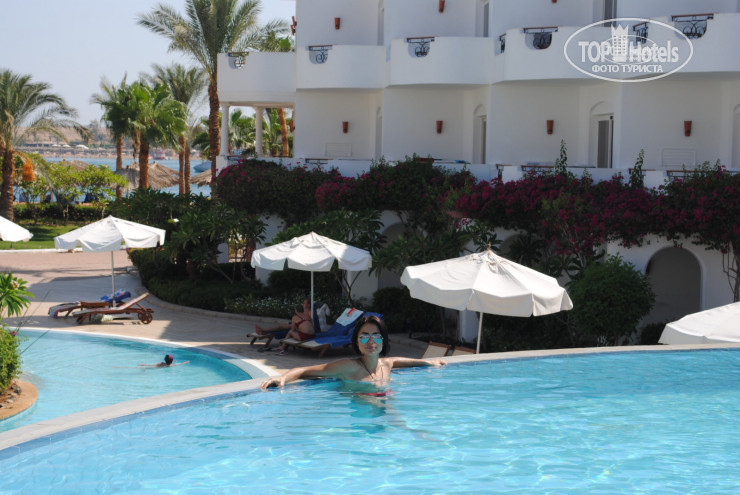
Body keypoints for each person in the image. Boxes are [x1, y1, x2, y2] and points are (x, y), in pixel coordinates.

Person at [260, 314, 446, 389]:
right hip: (362, 421)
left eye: (376, 336)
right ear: (357, 341)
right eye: (364, 337)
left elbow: (399, 360)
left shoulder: (385, 364)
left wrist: (429, 362)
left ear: (383, 341)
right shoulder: (348, 366)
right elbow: (304, 370)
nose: (371, 341)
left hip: (384, 416)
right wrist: (283, 378)